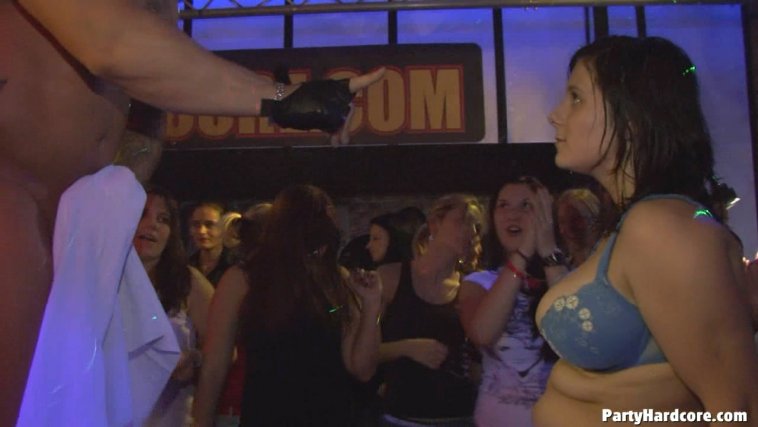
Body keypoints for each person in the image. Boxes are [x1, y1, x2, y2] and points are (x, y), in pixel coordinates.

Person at [1, 0, 384, 423]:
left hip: (85, 217)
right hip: (14, 192)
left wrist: (119, 201)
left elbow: (147, 105)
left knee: (69, 403)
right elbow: (112, 43)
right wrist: (281, 97)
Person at [534, 35, 758, 426]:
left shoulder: (660, 228)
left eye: (576, 97)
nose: (555, 115)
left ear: (632, 117)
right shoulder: (635, 222)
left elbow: (739, 408)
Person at [194, 185, 382, 426]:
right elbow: (214, 367)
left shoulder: (337, 278)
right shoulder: (243, 279)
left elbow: (362, 368)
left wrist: (371, 305)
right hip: (269, 416)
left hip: (331, 415)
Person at [458, 176, 566, 427]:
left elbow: (576, 330)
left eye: (526, 206)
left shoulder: (566, 275)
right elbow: (482, 333)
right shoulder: (479, 282)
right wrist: (523, 252)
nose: (512, 215)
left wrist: (547, 250)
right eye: (503, 205)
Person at [379, 194, 484, 426]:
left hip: (461, 415)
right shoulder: (390, 277)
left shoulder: (470, 286)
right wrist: (406, 348)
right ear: (435, 224)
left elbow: (479, 358)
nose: (470, 232)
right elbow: (362, 354)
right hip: (403, 417)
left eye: (476, 227)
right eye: (462, 221)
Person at [134, 186, 214, 426]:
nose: (152, 225)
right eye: (142, 214)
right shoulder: (102, 280)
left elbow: (222, 350)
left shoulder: (188, 282)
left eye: (163, 219)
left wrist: (193, 360)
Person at [554, 188, 601, 268]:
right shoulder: (563, 269)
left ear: (595, 219)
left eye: (576, 219)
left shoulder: (612, 261)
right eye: (562, 222)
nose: (568, 228)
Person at [188, 202, 233, 286]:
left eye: (209, 225)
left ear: (225, 227)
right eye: (196, 224)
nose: (201, 231)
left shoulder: (235, 266)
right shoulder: (186, 267)